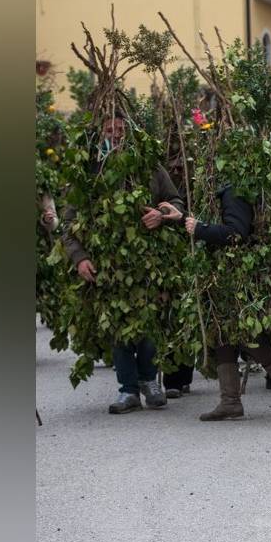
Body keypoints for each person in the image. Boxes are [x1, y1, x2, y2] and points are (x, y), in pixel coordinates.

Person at [61, 116, 184, 414]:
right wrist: (80, 257)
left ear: (129, 131)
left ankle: (149, 380)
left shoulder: (148, 167)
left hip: (147, 262)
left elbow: (177, 203)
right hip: (106, 263)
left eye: (120, 129)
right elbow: (69, 222)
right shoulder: (90, 170)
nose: (115, 135)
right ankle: (127, 389)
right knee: (117, 324)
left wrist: (161, 215)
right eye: (109, 129)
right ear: (100, 132)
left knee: (149, 321)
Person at [187, 183, 271, 421]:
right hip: (223, 277)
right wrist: (179, 217)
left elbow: (236, 233)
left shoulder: (233, 193)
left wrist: (200, 229)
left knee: (246, 336)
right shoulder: (228, 190)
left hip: (236, 278)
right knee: (222, 335)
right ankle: (230, 400)